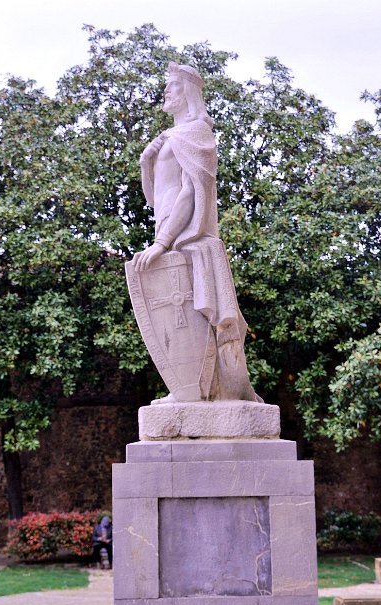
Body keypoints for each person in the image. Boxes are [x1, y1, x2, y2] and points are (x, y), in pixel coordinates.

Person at [132, 62, 260, 403]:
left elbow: (190, 193)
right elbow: (156, 198)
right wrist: (146, 163)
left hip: (188, 240)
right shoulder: (170, 138)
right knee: (183, 319)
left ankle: (212, 391)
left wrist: (161, 243)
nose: (165, 91)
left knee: (199, 317)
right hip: (171, 235)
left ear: (187, 91)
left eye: (172, 85)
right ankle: (190, 389)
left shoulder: (196, 133)